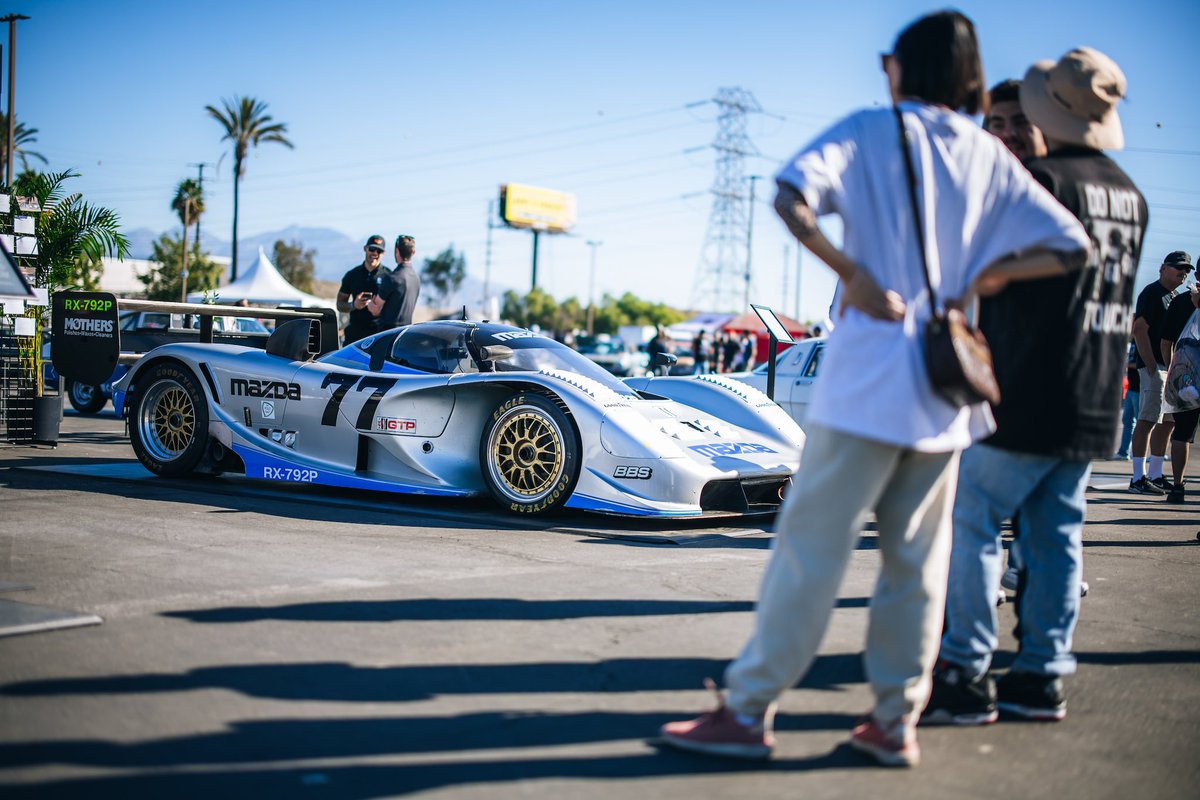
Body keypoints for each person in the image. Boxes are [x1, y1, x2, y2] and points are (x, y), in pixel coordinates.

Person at [658, 11, 1088, 768]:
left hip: (865, 385)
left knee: (809, 551)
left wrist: (849, 272)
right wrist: (984, 279)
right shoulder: (987, 153)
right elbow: (1069, 245)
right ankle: (895, 721)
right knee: (918, 565)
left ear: (898, 68)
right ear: (970, 79)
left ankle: (750, 708)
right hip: (944, 394)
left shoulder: (866, 129)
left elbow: (790, 195)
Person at [926, 46, 1145, 727]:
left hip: (1026, 386)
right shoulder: (1128, 193)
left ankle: (963, 670)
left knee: (972, 524)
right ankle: (1042, 674)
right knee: (1057, 535)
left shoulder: (1043, 183)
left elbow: (981, 272)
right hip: (1094, 391)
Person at [1129, 251, 1192, 492]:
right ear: (1163, 268)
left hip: (1172, 367)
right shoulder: (1152, 293)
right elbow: (1139, 329)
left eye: (1186, 269)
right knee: (1147, 419)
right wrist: (1152, 366)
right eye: (1178, 267)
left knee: (1168, 421)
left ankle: (1155, 474)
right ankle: (1137, 478)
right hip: (1156, 365)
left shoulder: (1174, 296)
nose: (1183, 273)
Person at [1161, 281, 1200, 503]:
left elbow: (1166, 342)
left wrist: (1170, 370)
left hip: (1185, 379)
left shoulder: (1180, 302)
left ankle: (1178, 486)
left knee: (1181, 433)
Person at [337, 235, 391, 344]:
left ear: (383, 253)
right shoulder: (352, 275)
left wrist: (380, 310)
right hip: (354, 334)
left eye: (379, 251)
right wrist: (354, 305)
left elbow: (395, 308)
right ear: (365, 249)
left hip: (378, 334)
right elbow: (339, 304)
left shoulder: (389, 276)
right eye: (372, 249)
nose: (375, 253)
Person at [386, 234, 422, 329]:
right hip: (406, 331)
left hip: (388, 334)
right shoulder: (416, 278)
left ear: (396, 251)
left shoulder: (392, 277)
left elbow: (375, 309)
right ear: (413, 252)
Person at [1115, 341, 1140, 459]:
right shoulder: (1133, 342)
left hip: (1140, 388)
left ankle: (1139, 454)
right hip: (1131, 388)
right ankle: (1123, 452)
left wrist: (1126, 364)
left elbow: (1143, 363)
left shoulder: (1143, 340)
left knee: (1142, 424)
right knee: (1127, 421)